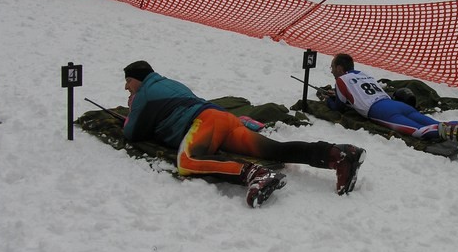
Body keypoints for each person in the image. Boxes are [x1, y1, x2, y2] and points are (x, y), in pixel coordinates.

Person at [122, 60, 366, 208]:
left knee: (188, 160)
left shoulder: (143, 94)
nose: (126, 87)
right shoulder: (169, 82)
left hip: (202, 122)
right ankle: (338, 154)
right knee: (274, 149)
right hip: (223, 118)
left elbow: (132, 133)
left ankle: (254, 174)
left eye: (128, 81)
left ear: (139, 80)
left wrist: (132, 107)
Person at [319, 54, 458, 163]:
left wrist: (329, 100)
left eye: (333, 67)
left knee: (420, 132)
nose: (332, 70)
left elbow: (339, 107)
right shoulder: (364, 74)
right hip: (395, 104)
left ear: (340, 68)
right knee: (434, 123)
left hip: (380, 110)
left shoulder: (340, 81)